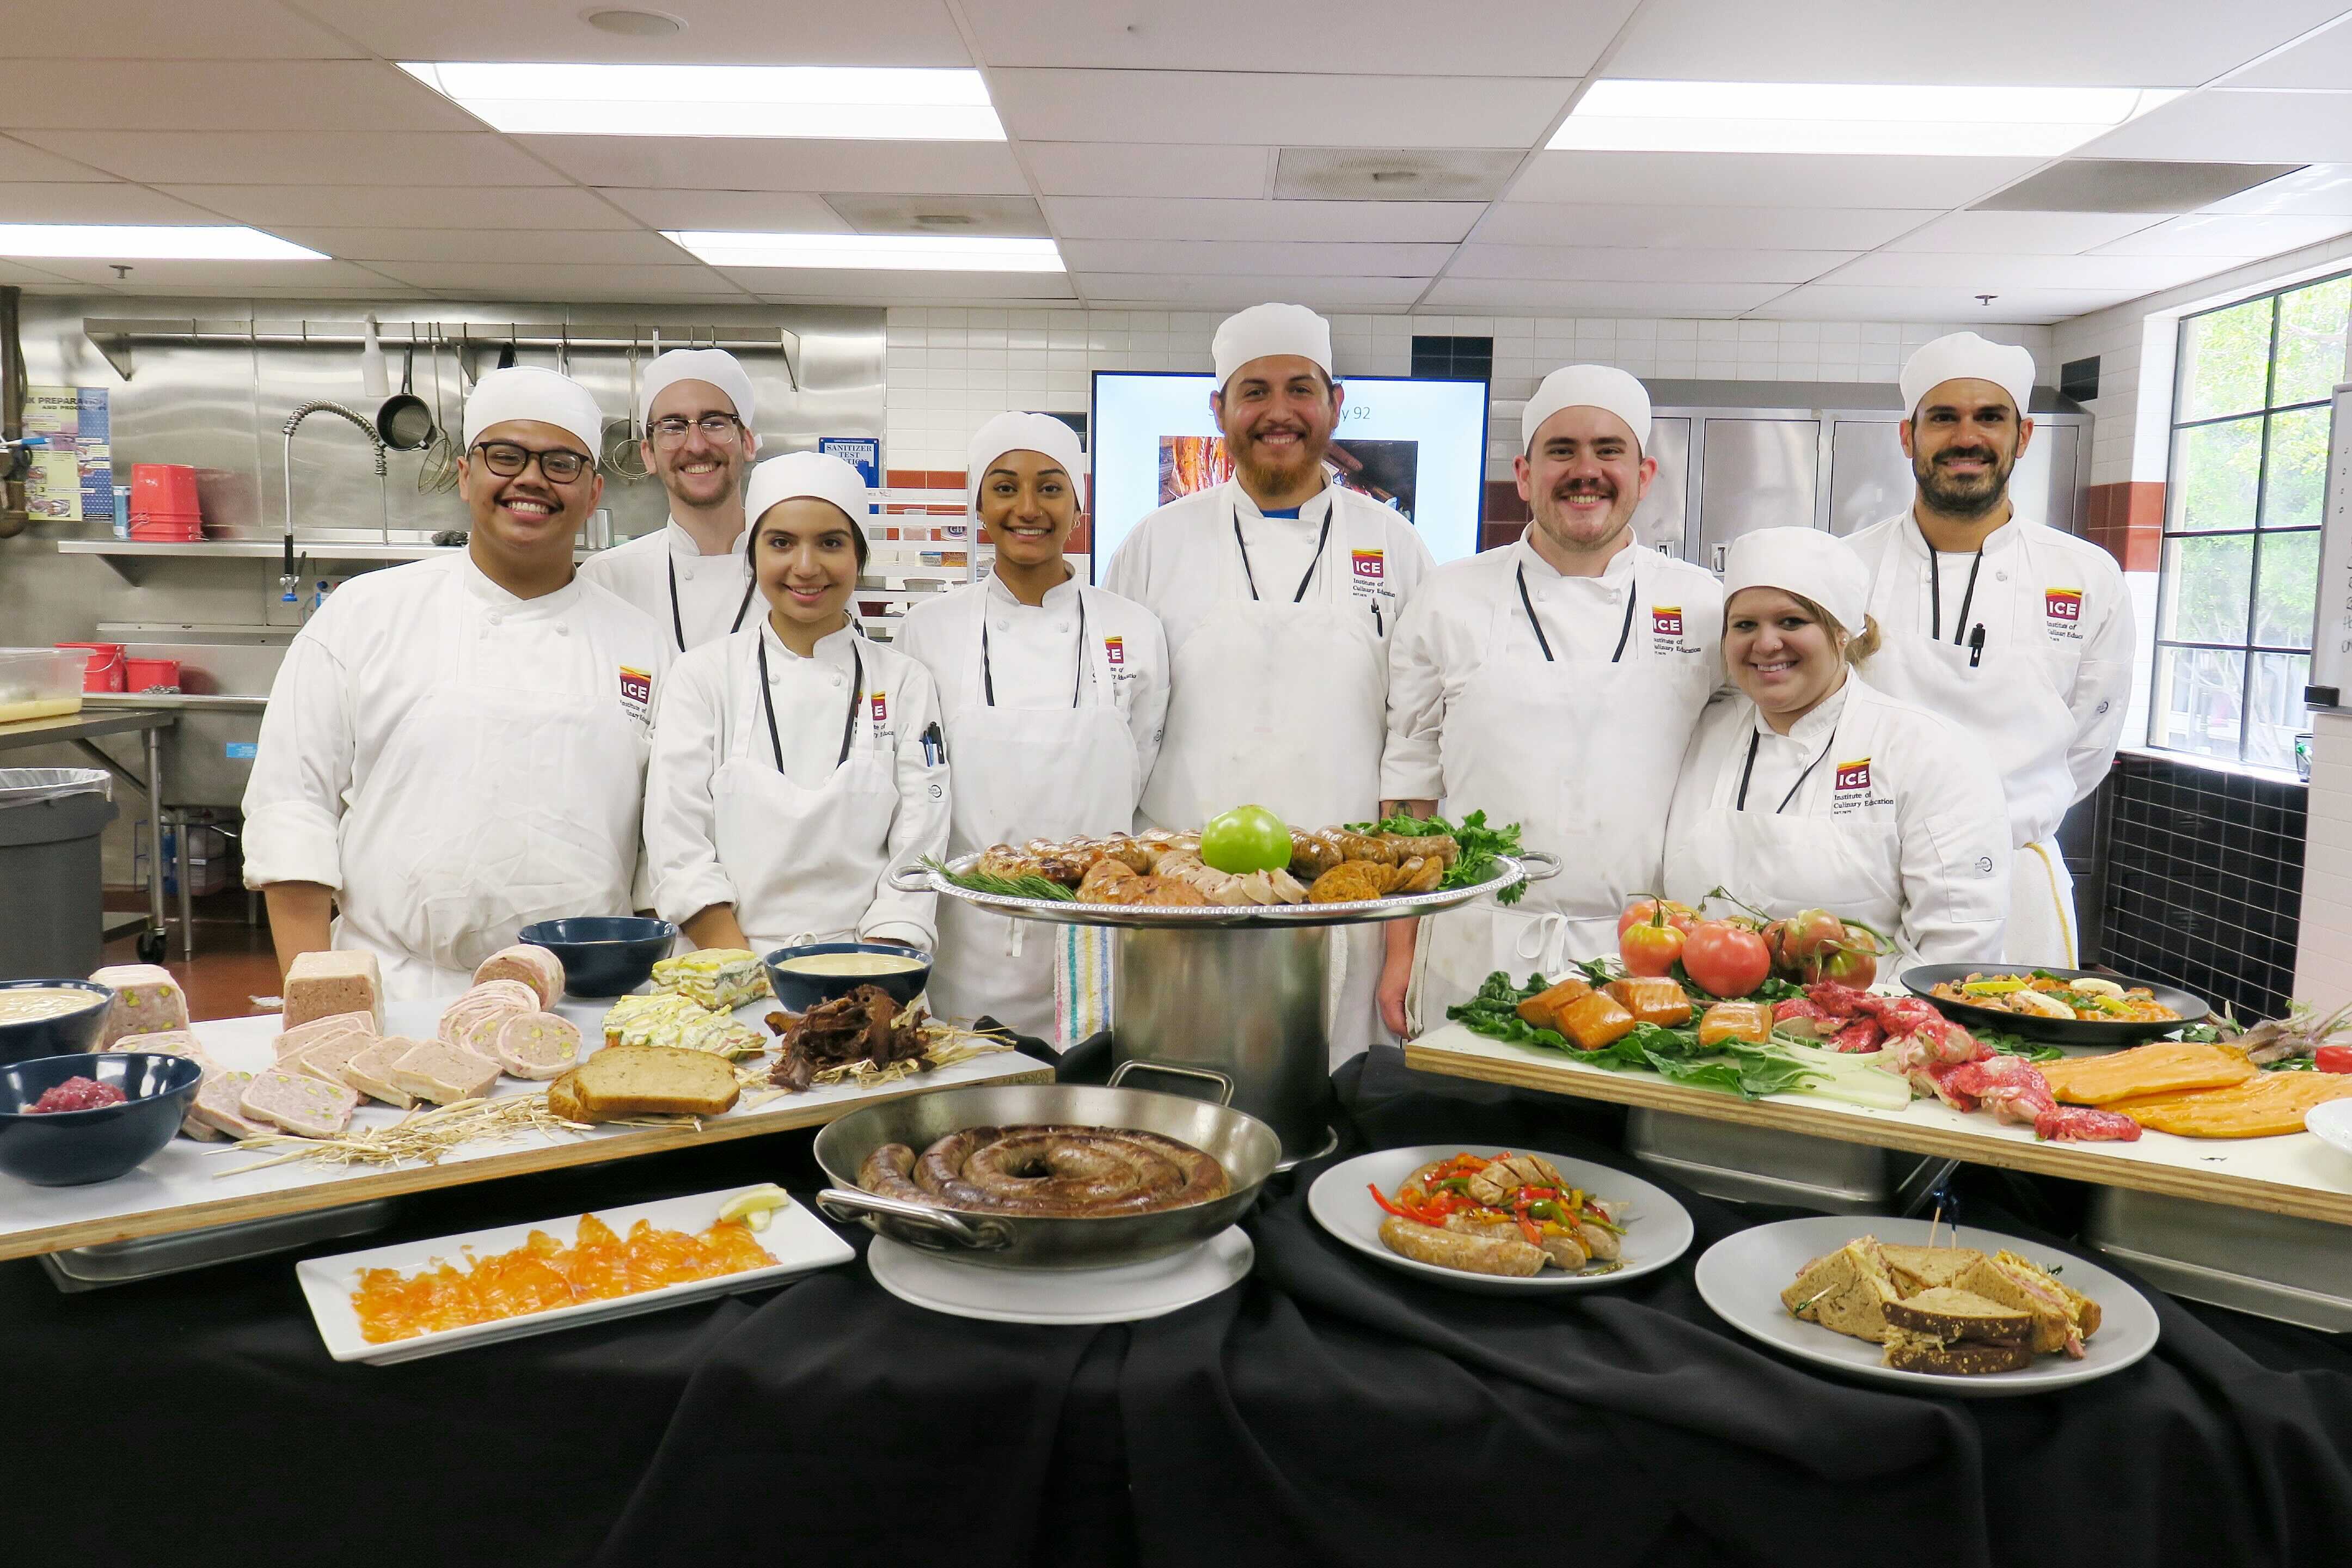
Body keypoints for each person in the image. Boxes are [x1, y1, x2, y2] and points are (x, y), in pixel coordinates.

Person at [242, 366, 668, 997]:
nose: (531, 479)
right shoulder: (365, 616)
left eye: (561, 463)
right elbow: (291, 810)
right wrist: (323, 1007)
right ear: (467, 475)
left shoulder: (644, 645)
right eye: (506, 456)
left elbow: (662, 851)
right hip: (397, 990)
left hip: (585, 1000)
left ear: (594, 490)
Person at [1104, 303, 1432, 1060]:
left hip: (1342, 904)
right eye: (1254, 391)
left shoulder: (1399, 547)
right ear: (1218, 408)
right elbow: (1118, 728)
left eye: (1300, 389)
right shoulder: (1155, 545)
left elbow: (1416, 742)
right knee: (1181, 1102)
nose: (1277, 413)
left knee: (1328, 1096)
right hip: (1183, 900)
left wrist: (1403, 939)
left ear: (1335, 406)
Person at [1379, 365, 1723, 1035]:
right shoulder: (1449, 598)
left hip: (1647, 960)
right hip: (1473, 947)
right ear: (1524, 473)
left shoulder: (1706, 605)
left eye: (1608, 450)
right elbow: (1409, 786)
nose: (1585, 470)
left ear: (1645, 475)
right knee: (1466, 1138)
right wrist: (1400, 952)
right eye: (1561, 450)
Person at [1846, 332, 2130, 965]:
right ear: (1908, 436)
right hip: (1864, 882)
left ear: (2023, 437)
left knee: (2020, 1061)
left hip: (2013, 878)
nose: (1966, 437)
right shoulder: (1845, 568)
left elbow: (2089, 742)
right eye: (1943, 418)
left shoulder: (2088, 576)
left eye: (1990, 418)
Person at [897, 413, 1168, 1040]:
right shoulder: (928, 628)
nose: (1028, 508)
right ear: (980, 505)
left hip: (1100, 928)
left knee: (1095, 1109)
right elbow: (918, 785)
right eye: (1004, 487)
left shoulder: (1133, 628)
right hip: (973, 937)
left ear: (1078, 503)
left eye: (1050, 487)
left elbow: (1143, 773)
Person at [644, 450, 948, 957]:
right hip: (725, 969)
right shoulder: (702, 677)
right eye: (781, 543)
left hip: (871, 968)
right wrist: (743, 973)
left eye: (830, 543)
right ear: (753, 556)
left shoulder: (904, 684)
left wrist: (867, 981)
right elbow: (677, 843)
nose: (806, 568)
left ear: (859, 557)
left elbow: (919, 850)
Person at [1661, 528, 2010, 967]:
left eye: (1792, 622)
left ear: (1841, 632)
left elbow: (1956, 950)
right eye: (1744, 625)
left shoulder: (1927, 751)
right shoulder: (1704, 737)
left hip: (1866, 1024)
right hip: (1705, 1022)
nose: (1766, 644)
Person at [578, 347, 760, 651]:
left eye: (714, 423)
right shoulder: (606, 580)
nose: (696, 445)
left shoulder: (800, 575)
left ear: (747, 443)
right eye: (673, 427)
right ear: (648, 455)